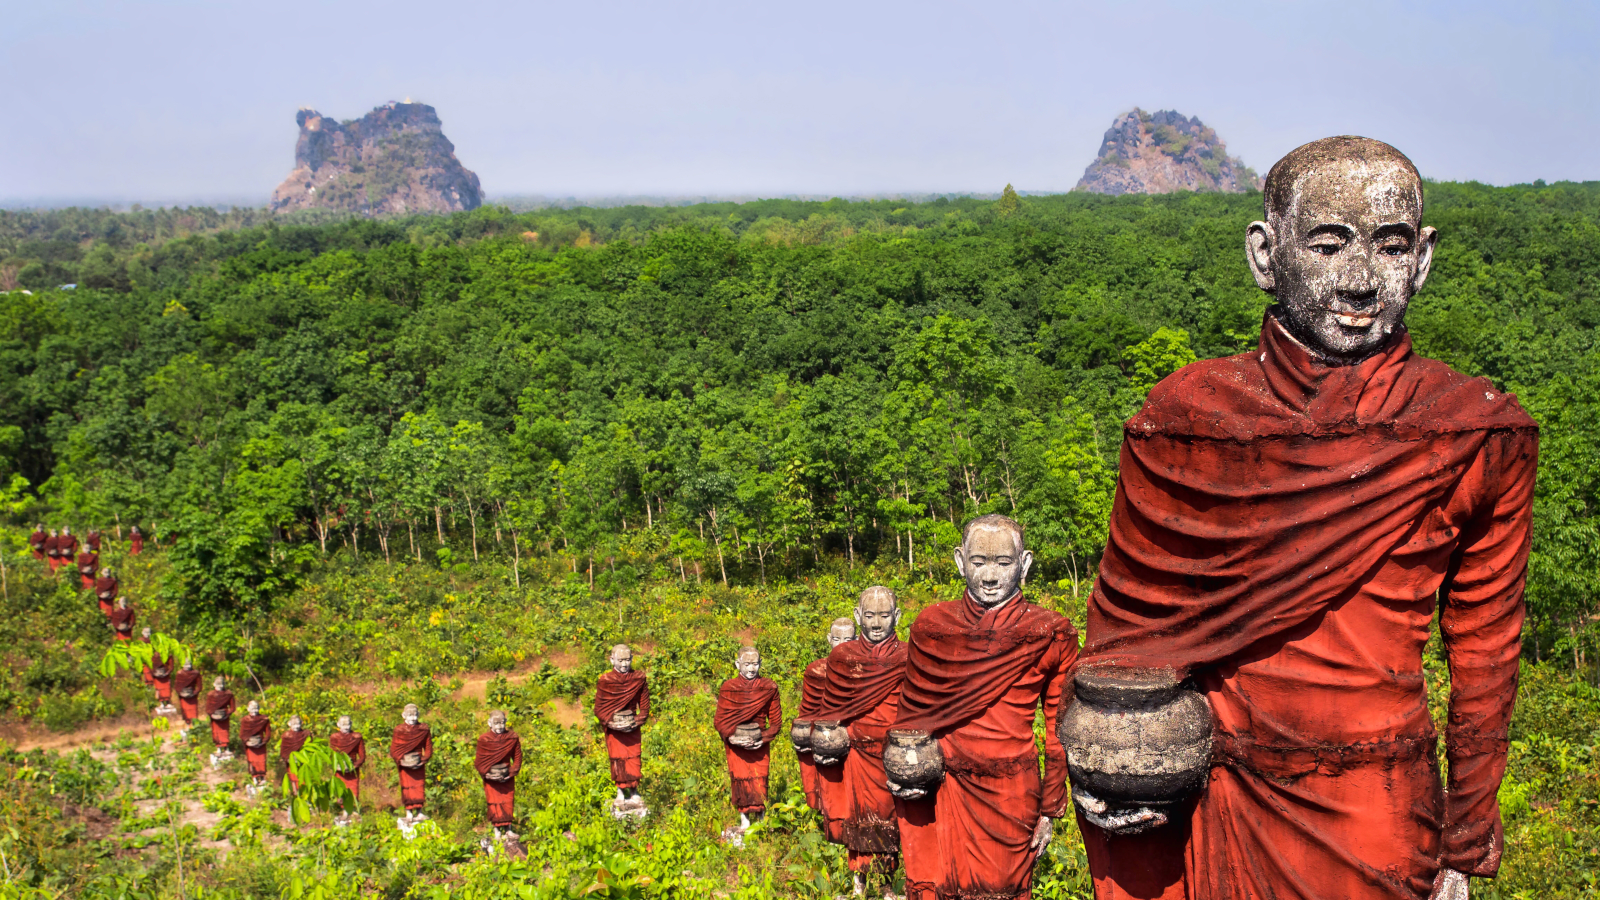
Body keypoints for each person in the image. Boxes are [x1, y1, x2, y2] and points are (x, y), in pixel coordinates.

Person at [1077, 137, 1538, 900]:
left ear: (1421, 261)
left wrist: (1464, 841)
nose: (1359, 281)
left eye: (1389, 247)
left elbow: (1486, 654)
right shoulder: (1187, 419)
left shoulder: (1474, 431)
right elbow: (1125, 631)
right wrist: (1103, 756)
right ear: (1265, 253)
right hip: (1209, 788)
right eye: (1327, 243)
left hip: (1376, 808)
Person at [891, 514, 1078, 900]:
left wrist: (1051, 807)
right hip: (940, 786)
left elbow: (1060, 729)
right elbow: (908, 716)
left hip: (1010, 793)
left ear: (1024, 564)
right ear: (960, 561)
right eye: (978, 562)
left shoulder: (1049, 632)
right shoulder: (932, 626)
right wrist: (899, 771)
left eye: (1003, 563)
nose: (990, 577)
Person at [816, 587, 908, 891]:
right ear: (858, 616)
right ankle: (859, 880)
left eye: (884, 616)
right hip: (856, 752)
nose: (877, 623)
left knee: (888, 817)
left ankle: (885, 884)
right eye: (869, 615)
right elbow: (831, 708)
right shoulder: (843, 658)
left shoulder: (908, 655)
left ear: (897, 617)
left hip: (891, 754)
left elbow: (919, 705)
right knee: (858, 815)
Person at [714, 646, 783, 833]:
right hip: (736, 744)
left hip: (759, 742)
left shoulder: (769, 687)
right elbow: (719, 721)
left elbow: (776, 723)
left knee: (760, 779)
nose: (751, 669)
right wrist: (732, 738)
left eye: (755, 664)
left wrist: (764, 738)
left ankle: (762, 819)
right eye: (747, 664)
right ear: (738, 664)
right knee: (740, 779)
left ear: (760, 663)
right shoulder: (729, 687)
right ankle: (744, 821)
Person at [797, 618, 855, 827]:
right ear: (829, 639)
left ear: (856, 639)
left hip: (854, 739)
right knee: (829, 791)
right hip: (824, 738)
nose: (841, 644)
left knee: (852, 789)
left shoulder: (861, 670)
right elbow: (808, 711)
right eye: (837, 639)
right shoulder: (817, 670)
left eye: (847, 639)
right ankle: (831, 831)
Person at [594, 644, 650, 804]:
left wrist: (637, 721)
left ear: (632, 659)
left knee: (634, 758)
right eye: (620, 660)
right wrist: (611, 723)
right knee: (617, 759)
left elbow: (645, 707)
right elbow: (599, 709)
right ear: (612, 660)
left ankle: (634, 791)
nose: (624, 664)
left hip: (632, 725)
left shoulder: (639, 678)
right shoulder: (605, 681)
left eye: (627, 660)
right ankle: (620, 791)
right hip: (615, 727)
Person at [474, 710, 523, 835]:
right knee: (494, 802)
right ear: (489, 723)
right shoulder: (484, 739)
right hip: (491, 777)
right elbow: (479, 761)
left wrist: (512, 771)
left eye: (502, 723)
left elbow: (517, 757)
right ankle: (496, 830)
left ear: (506, 722)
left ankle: (508, 829)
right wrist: (488, 774)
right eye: (496, 723)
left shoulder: (512, 737)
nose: (500, 726)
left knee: (508, 801)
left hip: (507, 775)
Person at [390, 704, 434, 821]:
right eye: (410, 715)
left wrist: (424, 759)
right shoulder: (399, 730)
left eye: (415, 715)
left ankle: (419, 811)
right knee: (407, 787)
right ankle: (408, 812)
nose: (413, 718)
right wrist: (401, 760)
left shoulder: (423, 729)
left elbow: (428, 746)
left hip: (418, 762)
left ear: (418, 715)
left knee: (419, 787)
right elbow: (394, 749)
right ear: (404, 716)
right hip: (405, 764)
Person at [330, 715, 367, 813]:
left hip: (352, 768)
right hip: (339, 769)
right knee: (341, 791)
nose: (346, 727)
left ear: (351, 724)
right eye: (343, 725)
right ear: (338, 725)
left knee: (353, 790)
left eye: (348, 724)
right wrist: (337, 766)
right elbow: (332, 755)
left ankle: (353, 810)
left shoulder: (356, 737)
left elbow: (362, 757)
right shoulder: (335, 738)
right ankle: (343, 810)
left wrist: (354, 766)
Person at [240, 701, 272, 786]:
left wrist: (264, 741)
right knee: (252, 761)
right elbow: (242, 733)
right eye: (252, 708)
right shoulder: (245, 720)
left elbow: (268, 733)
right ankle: (254, 778)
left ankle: (263, 778)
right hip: (250, 744)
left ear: (259, 708)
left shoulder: (264, 719)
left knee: (261, 761)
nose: (254, 710)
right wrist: (246, 741)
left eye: (256, 708)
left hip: (260, 742)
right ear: (248, 709)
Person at [204, 676, 235, 753]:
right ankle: (218, 748)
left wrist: (227, 714)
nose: (220, 686)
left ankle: (226, 747)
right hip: (215, 716)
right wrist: (211, 714)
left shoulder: (228, 694)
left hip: (224, 715)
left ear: (224, 684)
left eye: (221, 684)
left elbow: (232, 707)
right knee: (216, 731)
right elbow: (208, 707)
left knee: (225, 732)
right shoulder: (211, 694)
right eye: (218, 684)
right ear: (214, 684)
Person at [279, 716, 310, 793]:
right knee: (293, 777)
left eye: (298, 724)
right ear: (289, 724)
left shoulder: (304, 734)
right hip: (291, 759)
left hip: (302, 759)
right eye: (294, 724)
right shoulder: (286, 735)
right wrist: (285, 757)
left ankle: (305, 795)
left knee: (303, 778)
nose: (296, 726)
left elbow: (309, 745)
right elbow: (284, 749)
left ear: (301, 723)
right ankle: (295, 794)